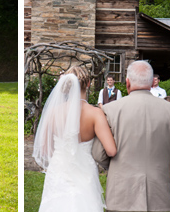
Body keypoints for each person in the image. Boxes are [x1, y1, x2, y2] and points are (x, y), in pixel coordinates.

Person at [92, 61, 170, 212]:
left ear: (127, 82)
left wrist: (118, 165)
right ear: (151, 83)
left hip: (121, 195)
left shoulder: (109, 111)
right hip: (158, 195)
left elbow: (98, 153)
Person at [33, 66, 117, 211]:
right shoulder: (95, 113)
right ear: (88, 83)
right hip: (85, 171)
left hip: (58, 169)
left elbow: (46, 150)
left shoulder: (53, 112)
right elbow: (111, 150)